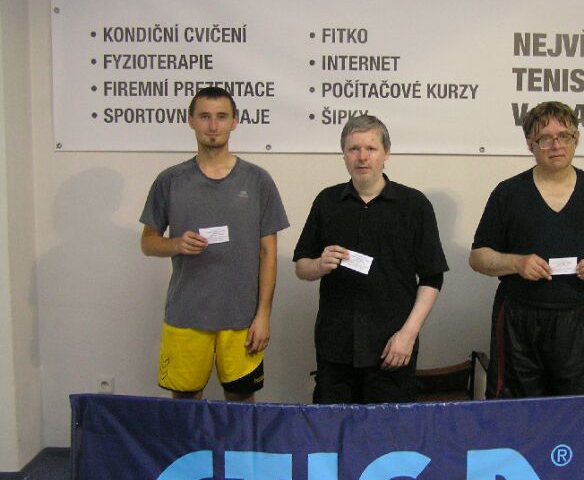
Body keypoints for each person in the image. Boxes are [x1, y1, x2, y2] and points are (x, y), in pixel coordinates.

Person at [139, 86, 289, 402]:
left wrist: (263, 315)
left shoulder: (257, 180)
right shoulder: (170, 180)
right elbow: (148, 243)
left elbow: (268, 253)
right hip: (187, 316)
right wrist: (176, 244)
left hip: (242, 319)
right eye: (204, 116)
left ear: (234, 122)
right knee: (186, 407)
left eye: (221, 117)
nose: (212, 125)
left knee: (241, 407)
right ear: (191, 121)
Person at [469, 101, 584, 398]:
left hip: (576, 319)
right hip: (518, 319)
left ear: (576, 138)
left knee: (574, 408)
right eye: (545, 138)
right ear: (530, 144)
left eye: (564, 136)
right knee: (515, 410)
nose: (556, 145)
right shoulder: (508, 193)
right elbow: (477, 257)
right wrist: (516, 263)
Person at [293, 115, 448, 404]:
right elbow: (302, 266)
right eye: (353, 149)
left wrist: (408, 335)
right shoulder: (327, 201)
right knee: (333, 427)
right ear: (343, 154)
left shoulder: (414, 205)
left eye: (371, 148)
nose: (362, 157)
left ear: (386, 153)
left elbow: (432, 277)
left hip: (392, 347)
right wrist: (318, 265)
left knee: (388, 430)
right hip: (335, 347)